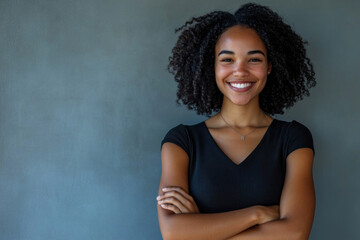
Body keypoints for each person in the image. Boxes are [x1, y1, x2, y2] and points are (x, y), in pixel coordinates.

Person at [157, 3, 316, 240]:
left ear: (270, 67)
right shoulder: (182, 142)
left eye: (254, 59)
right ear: (211, 67)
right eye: (227, 59)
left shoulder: (293, 139)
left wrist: (201, 231)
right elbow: (172, 233)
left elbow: (294, 233)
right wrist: (257, 214)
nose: (240, 71)